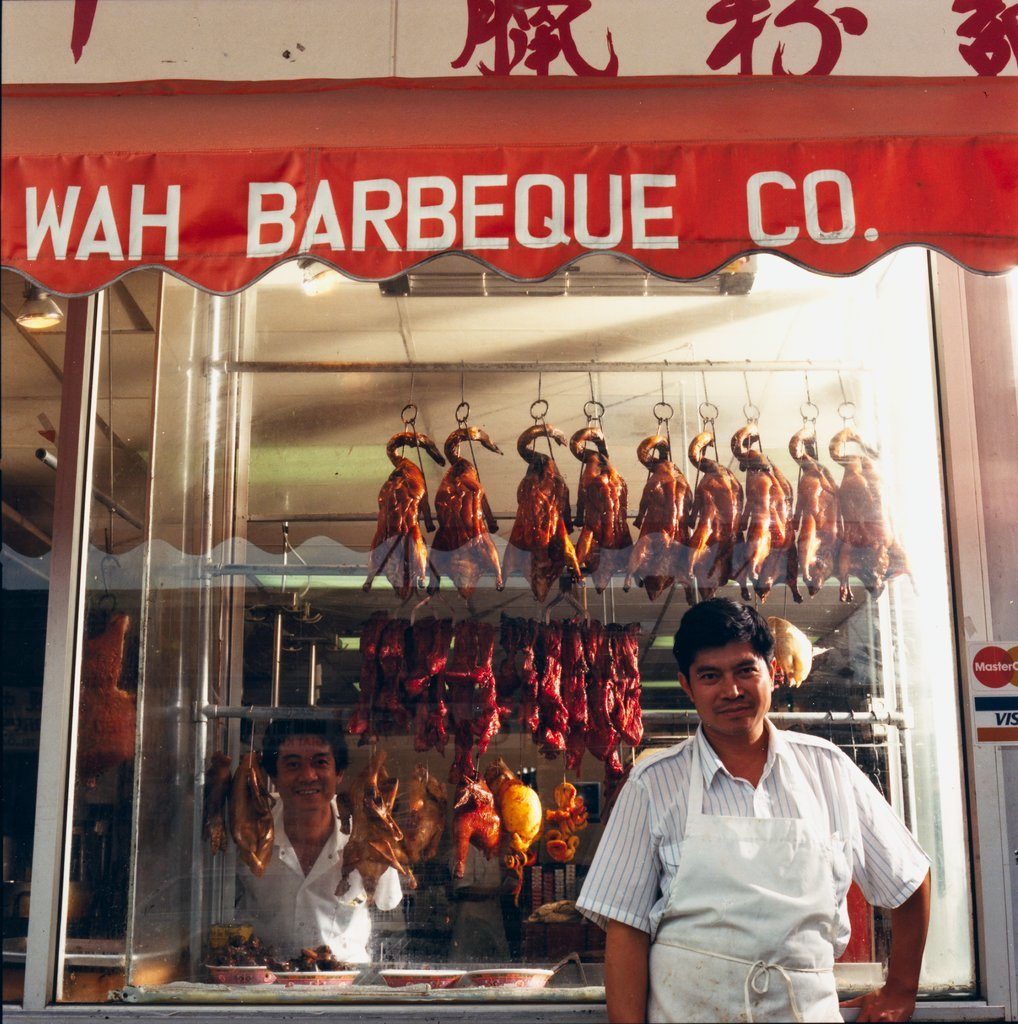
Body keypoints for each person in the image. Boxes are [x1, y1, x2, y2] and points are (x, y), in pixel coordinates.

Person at [576, 598, 931, 1024]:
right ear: (687, 687)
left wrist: (901, 989)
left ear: (772, 673)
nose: (732, 690)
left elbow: (909, 878)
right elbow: (626, 931)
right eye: (711, 676)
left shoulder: (828, 768)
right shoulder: (652, 783)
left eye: (746, 670)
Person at [235, 719, 402, 962]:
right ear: (273, 775)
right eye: (293, 764)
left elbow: (387, 902)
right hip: (263, 984)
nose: (308, 775)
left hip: (345, 987)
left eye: (320, 762)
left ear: (339, 773)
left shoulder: (370, 833)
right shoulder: (248, 829)